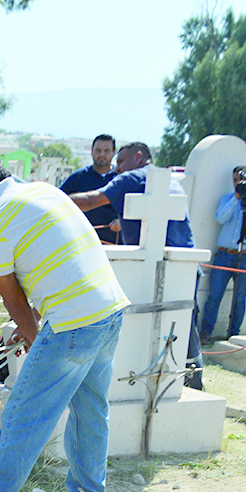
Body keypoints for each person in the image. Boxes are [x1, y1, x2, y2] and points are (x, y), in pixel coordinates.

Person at [0, 160, 128, 492]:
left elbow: (13, 300)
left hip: (72, 323)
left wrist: (33, 338)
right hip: (109, 308)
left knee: (22, 415)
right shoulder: (43, 191)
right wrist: (31, 328)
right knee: (90, 413)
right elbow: (50, 266)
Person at [68, 141, 204, 387]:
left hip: (147, 266)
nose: (116, 168)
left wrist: (51, 200)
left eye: (120, 161)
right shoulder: (170, 180)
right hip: (184, 265)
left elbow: (89, 201)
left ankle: (132, 375)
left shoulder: (131, 178)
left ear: (138, 158)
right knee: (183, 324)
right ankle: (193, 380)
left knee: (139, 323)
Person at [200, 167, 246, 343]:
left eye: (240, 181)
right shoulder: (228, 198)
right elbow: (220, 218)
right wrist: (236, 198)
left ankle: (233, 334)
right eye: (234, 180)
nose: (237, 183)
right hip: (224, 255)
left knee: (240, 298)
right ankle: (205, 332)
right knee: (214, 296)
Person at [60, 134, 118, 243]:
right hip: (80, 244)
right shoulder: (77, 177)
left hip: (113, 245)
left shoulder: (121, 179)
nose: (102, 154)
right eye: (98, 150)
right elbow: (59, 201)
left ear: (114, 153)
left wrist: (122, 222)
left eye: (106, 151)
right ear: (92, 151)